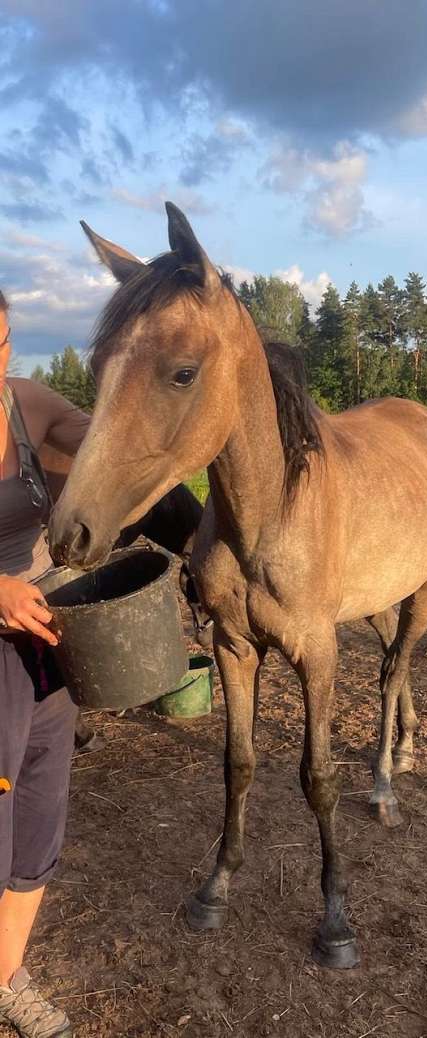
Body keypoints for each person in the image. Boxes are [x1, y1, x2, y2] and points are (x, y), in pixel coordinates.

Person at [0, 288, 90, 1038]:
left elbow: (107, 439)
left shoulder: (25, 403)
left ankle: (7, 978)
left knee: (36, 818)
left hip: (41, 642)